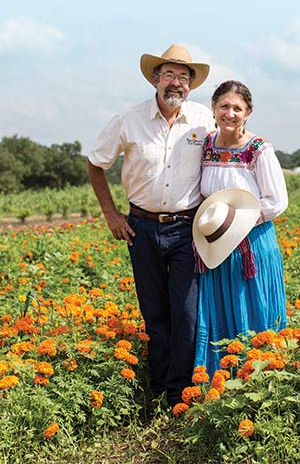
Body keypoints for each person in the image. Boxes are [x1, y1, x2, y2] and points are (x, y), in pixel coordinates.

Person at [87, 44, 216, 406]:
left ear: (191, 86)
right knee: (154, 311)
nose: (176, 83)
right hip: (141, 228)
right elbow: (96, 163)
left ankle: (179, 392)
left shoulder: (204, 120)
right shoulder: (129, 120)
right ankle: (158, 388)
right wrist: (111, 214)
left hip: (187, 229)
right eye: (170, 75)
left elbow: (232, 147)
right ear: (156, 79)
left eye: (183, 77)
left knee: (187, 313)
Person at [192, 80, 288, 376]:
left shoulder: (258, 149)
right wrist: (221, 224)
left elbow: (277, 201)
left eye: (237, 108)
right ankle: (220, 378)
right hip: (216, 242)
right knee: (219, 309)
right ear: (213, 108)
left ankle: (260, 378)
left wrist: (241, 221)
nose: (230, 113)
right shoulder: (207, 145)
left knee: (253, 308)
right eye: (224, 106)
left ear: (248, 112)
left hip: (252, 243)